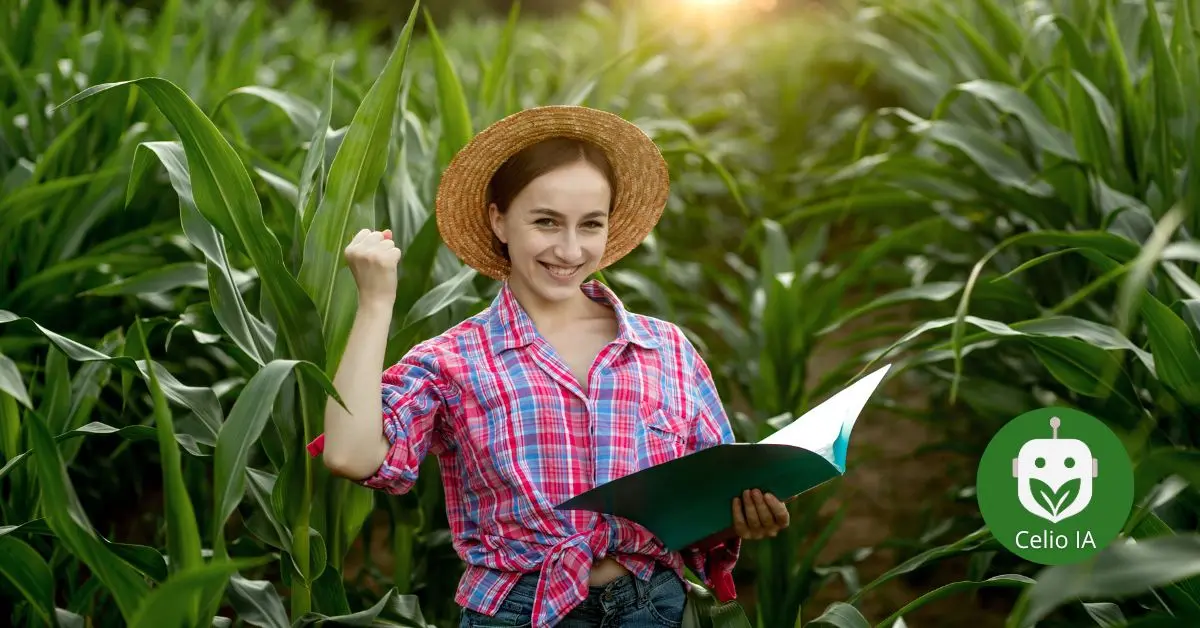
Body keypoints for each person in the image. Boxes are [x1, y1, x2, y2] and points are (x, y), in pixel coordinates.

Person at [307, 105, 790, 628]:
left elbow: (703, 498)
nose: (569, 248)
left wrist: (740, 518)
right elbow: (351, 455)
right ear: (499, 220)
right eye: (545, 222)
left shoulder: (666, 349)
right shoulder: (453, 359)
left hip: (655, 607)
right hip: (520, 613)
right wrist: (376, 302)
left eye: (591, 225)